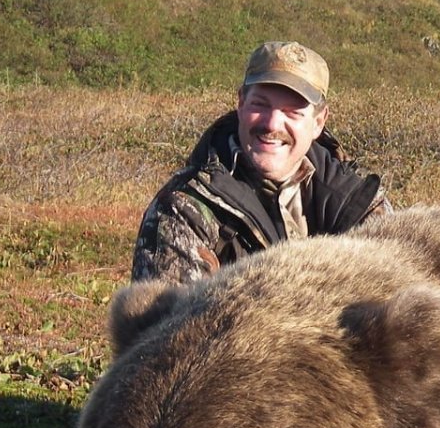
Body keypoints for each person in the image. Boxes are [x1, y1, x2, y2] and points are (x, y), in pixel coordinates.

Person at [132, 41, 390, 283]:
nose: (272, 124)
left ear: (318, 122)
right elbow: (176, 316)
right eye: (260, 105)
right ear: (241, 103)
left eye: (293, 112)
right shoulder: (184, 206)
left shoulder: (360, 202)